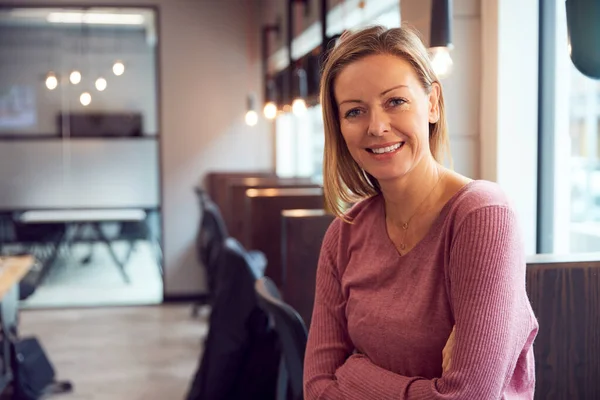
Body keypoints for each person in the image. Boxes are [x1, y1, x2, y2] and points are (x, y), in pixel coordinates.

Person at [303, 25, 539, 399]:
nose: (377, 126)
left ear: (432, 103)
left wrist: (355, 374)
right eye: (355, 111)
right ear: (340, 127)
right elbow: (317, 389)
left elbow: (468, 397)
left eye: (395, 101)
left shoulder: (482, 215)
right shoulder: (344, 234)